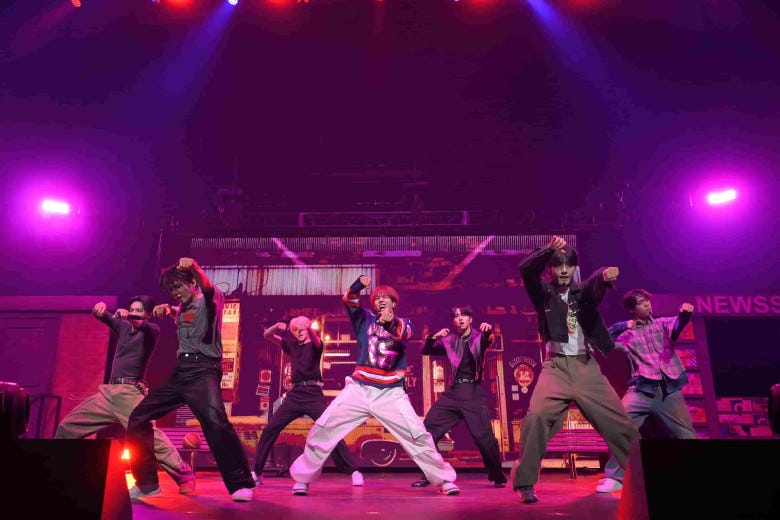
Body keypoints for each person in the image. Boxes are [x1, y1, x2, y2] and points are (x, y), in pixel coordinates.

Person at [288, 276, 460, 496]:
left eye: (385, 298)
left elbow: (405, 334)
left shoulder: (405, 322)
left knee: (418, 435)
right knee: (323, 428)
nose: (380, 300)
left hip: (391, 393)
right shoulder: (364, 319)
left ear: (394, 303)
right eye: (377, 298)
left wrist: (390, 322)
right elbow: (348, 299)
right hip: (359, 389)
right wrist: (359, 284)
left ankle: (443, 480)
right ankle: (302, 478)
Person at [510, 236, 639, 504]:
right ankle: (525, 482)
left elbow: (593, 286)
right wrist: (548, 250)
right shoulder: (544, 293)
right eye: (558, 265)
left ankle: (644, 475)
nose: (564, 270)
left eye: (568, 265)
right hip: (555, 367)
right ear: (551, 269)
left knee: (619, 423)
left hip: (585, 368)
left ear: (574, 268)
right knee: (536, 418)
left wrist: (603, 276)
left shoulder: (583, 294)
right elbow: (526, 270)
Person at [127, 257, 255, 502]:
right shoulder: (183, 308)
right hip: (180, 372)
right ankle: (146, 483)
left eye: (178, 287)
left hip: (203, 370)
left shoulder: (210, 300)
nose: (175, 293)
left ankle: (240, 483)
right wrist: (169, 310)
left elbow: (207, 289)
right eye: (171, 290)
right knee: (137, 418)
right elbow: (185, 317)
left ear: (191, 283)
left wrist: (194, 267)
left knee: (216, 423)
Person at [55, 296, 196, 494]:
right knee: (68, 426)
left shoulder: (151, 331)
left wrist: (128, 315)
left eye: (139, 311)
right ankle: (59, 470)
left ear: (148, 315)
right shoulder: (122, 328)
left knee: (150, 436)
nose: (134, 313)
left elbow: (142, 324)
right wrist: (99, 308)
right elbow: (104, 316)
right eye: (132, 309)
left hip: (129, 394)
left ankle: (184, 476)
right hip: (108, 394)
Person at [595, 290, 697, 493]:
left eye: (647, 301)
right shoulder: (627, 334)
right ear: (632, 309)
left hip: (668, 391)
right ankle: (615, 478)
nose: (647, 305)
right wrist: (623, 325)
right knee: (619, 426)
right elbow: (602, 340)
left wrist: (685, 315)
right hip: (641, 390)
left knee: (685, 433)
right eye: (641, 303)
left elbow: (678, 325)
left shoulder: (662, 324)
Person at [251, 317, 364, 487]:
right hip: (295, 394)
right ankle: (257, 472)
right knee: (270, 428)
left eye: (302, 329)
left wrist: (309, 328)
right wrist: (275, 325)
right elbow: (268, 336)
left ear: (308, 329)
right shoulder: (291, 345)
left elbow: (316, 340)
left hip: (313, 395)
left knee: (330, 429)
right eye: (296, 330)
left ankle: (353, 472)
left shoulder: (316, 346)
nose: (299, 332)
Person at [410, 305, 507, 488]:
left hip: (473, 392)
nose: (460, 318)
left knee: (484, 437)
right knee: (428, 431)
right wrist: (434, 337)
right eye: (456, 316)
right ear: (453, 321)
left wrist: (488, 331)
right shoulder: (449, 340)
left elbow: (490, 341)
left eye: (464, 315)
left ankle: (497, 475)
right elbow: (425, 350)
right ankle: (430, 474)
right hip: (453, 392)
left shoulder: (480, 337)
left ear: (471, 319)